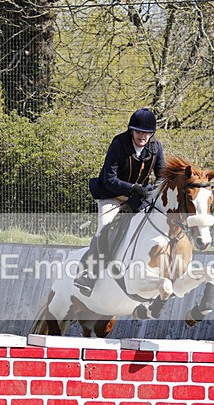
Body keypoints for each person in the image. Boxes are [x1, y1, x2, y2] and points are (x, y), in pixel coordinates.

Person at [75, 108, 165, 296]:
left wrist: (151, 192)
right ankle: (87, 274)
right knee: (105, 229)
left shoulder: (156, 148)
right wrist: (133, 188)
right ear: (131, 131)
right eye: (139, 132)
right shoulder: (119, 144)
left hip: (137, 197)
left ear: (152, 133)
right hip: (111, 194)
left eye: (147, 133)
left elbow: (162, 176)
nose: (143, 136)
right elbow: (109, 179)